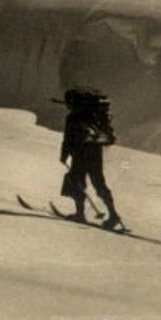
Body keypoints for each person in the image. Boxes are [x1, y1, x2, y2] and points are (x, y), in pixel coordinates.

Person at [57, 88, 123, 229]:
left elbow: (67, 139)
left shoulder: (73, 117)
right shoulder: (93, 116)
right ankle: (113, 215)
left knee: (77, 182)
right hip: (95, 154)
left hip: (80, 155)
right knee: (99, 184)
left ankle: (80, 214)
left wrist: (64, 155)